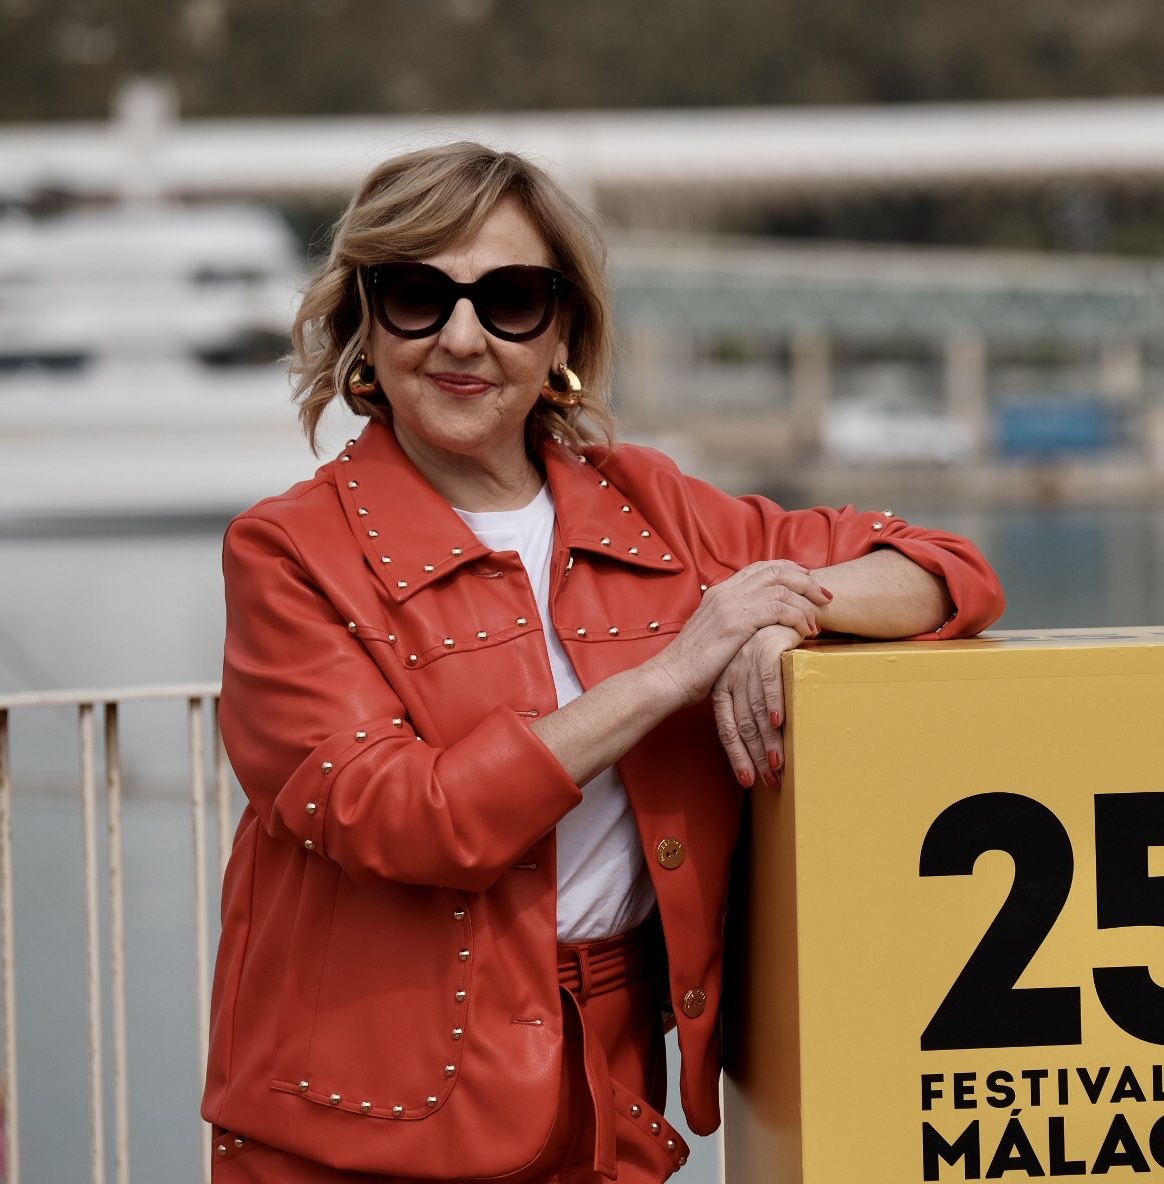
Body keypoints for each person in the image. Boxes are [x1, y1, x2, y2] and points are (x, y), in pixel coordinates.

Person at [202, 141, 1005, 1183]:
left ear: (563, 331)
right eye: (416, 294)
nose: (462, 335)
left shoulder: (652, 508)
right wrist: (674, 670)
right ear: (365, 322)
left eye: (510, 299)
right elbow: (402, 814)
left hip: (603, 1093)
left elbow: (948, 566)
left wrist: (775, 611)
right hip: (359, 1131)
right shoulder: (289, 550)